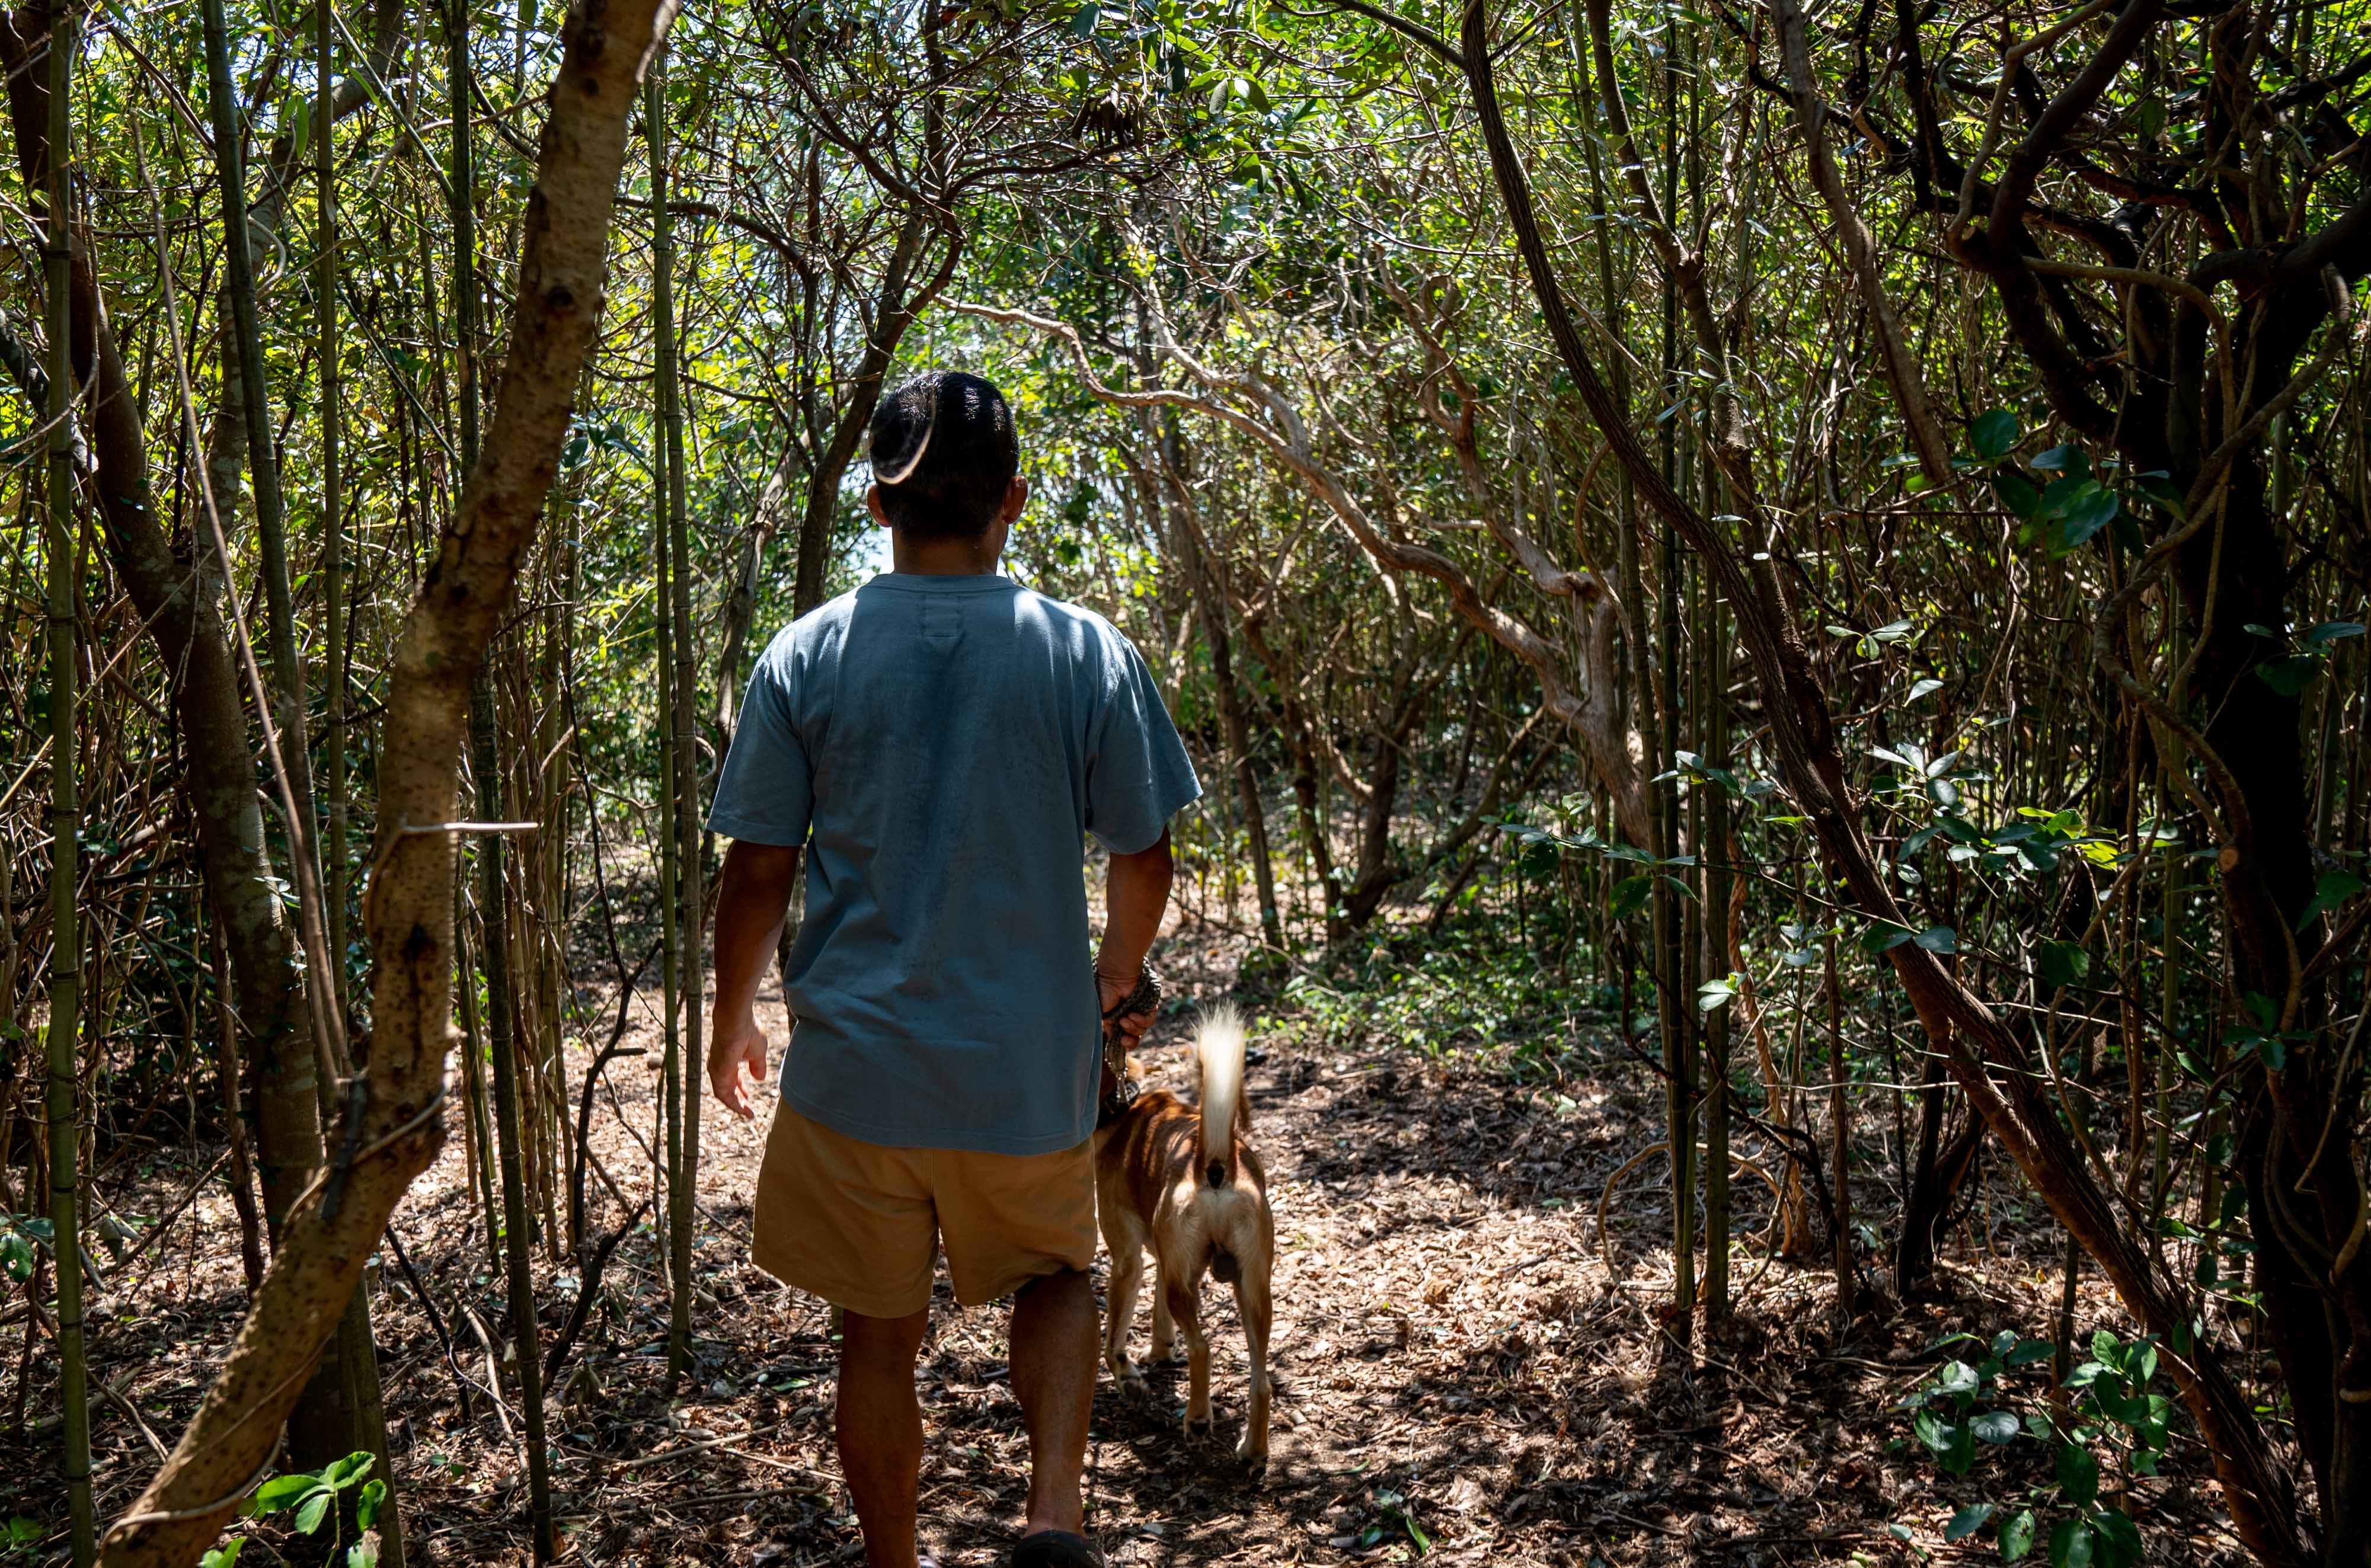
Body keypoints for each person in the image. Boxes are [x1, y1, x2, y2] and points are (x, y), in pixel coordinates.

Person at [704, 370, 1200, 1568]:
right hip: (1023, 1070)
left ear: (877, 506)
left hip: (858, 1077)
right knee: (1053, 1274)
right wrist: (1113, 983)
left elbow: (757, 870)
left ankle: (893, 1561)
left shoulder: (806, 654)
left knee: (874, 1334)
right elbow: (1143, 856)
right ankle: (1052, 1519)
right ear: (1013, 502)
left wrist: (730, 1019)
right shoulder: (1081, 652)